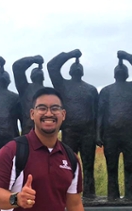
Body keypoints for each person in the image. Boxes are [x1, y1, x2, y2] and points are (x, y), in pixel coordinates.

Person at [97, 50, 132, 201]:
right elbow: (100, 114)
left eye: (124, 69)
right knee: (111, 167)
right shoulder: (106, 91)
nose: (121, 70)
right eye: (118, 69)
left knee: (130, 166)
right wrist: (98, 134)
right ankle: (112, 196)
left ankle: (130, 195)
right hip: (110, 135)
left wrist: (126, 56)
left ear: (127, 74)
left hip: (130, 134)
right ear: (114, 74)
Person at [48, 49, 99, 198]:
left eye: (79, 67)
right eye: (74, 66)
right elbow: (52, 66)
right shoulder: (62, 85)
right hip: (69, 131)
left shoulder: (91, 90)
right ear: (69, 71)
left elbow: (96, 113)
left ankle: (90, 194)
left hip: (88, 132)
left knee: (88, 165)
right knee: (67, 165)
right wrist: (70, 55)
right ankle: (68, 193)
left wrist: (97, 134)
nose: (77, 68)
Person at [13, 55, 46, 134]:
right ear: (31, 77)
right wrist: (33, 59)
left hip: (46, 130)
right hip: (28, 130)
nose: (38, 71)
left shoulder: (49, 92)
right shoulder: (25, 88)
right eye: (34, 71)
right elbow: (17, 67)